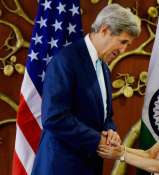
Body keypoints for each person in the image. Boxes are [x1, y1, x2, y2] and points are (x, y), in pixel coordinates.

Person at [31, 3, 141, 175]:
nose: (123, 49)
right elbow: (54, 117)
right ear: (104, 29)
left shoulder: (103, 66)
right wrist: (98, 140)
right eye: (123, 42)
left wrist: (110, 131)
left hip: (87, 166)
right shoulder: (66, 60)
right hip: (61, 167)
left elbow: (104, 114)